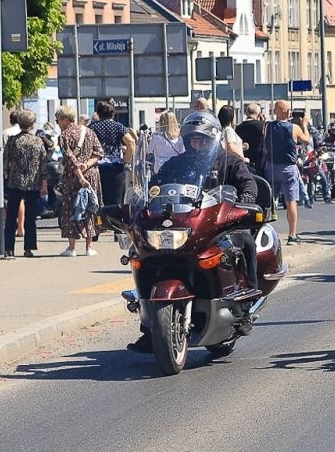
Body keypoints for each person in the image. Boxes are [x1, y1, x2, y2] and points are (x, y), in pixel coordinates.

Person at [128, 112, 261, 353]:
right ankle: (150, 328)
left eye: (201, 140)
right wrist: (143, 199)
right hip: (183, 224)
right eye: (192, 140)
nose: (196, 144)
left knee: (245, 242)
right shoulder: (177, 163)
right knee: (141, 255)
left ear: (211, 140)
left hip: (216, 223)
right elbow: (155, 185)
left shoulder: (229, 162)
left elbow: (247, 183)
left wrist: (246, 200)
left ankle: (245, 305)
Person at [55, 107, 103, 256]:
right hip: (92, 174)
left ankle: (72, 247)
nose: (57, 123)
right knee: (89, 207)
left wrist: (80, 177)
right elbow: (99, 152)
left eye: (58, 120)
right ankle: (89, 247)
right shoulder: (88, 131)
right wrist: (87, 165)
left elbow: (70, 160)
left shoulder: (64, 136)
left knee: (72, 208)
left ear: (64, 119)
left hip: (73, 178)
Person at [3, 110, 50, 257]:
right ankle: (28, 248)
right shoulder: (38, 141)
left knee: (11, 216)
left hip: (15, 182)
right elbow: (43, 164)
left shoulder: (12, 141)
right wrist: (44, 183)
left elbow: (6, 161)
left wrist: (6, 176)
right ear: (32, 124)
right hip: (33, 183)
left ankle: (8, 248)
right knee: (31, 216)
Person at [266, 99, 311, 242]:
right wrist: (304, 125)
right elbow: (307, 141)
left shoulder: (267, 126)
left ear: (275, 112)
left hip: (271, 167)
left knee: (269, 200)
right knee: (291, 201)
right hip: (288, 168)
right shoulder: (294, 128)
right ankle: (292, 234)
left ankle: (265, 233)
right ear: (288, 112)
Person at [89, 100, 135, 207]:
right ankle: (114, 221)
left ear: (98, 113)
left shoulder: (92, 127)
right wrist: (126, 160)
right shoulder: (118, 126)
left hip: (97, 166)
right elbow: (131, 143)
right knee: (116, 200)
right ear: (113, 113)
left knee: (99, 200)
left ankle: (99, 221)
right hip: (115, 167)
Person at [237, 102, 267, 179]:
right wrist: (263, 122)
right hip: (261, 164)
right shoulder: (263, 126)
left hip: (245, 163)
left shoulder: (239, 127)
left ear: (246, 113)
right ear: (259, 114)